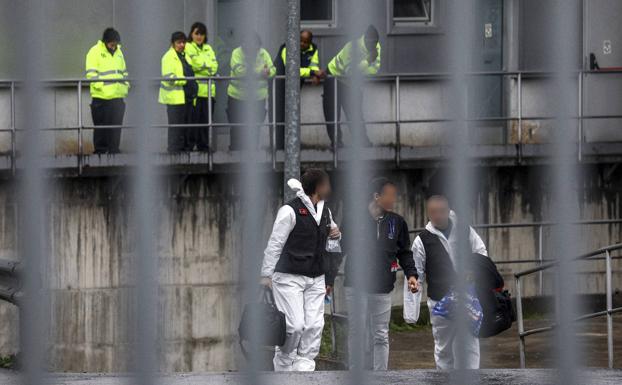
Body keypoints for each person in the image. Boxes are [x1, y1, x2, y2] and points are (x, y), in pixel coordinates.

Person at [333, 177, 419, 370]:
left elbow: (404, 252)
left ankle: (381, 376)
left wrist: (411, 274)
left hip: (383, 287)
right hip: (356, 285)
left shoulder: (397, 222)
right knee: (357, 332)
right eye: (389, 195)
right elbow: (340, 249)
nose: (393, 200)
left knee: (381, 334)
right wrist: (328, 279)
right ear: (376, 196)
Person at [260, 169, 341, 371]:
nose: (330, 188)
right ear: (318, 187)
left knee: (314, 326)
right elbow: (275, 243)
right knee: (294, 326)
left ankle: (305, 372)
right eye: (327, 184)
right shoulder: (289, 211)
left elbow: (332, 241)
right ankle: (284, 367)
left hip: (316, 277)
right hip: (288, 276)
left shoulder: (325, 211)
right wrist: (265, 274)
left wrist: (335, 234)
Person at [410, 195, 488, 370]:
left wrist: (474, 271)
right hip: (439, 300)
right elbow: (417, 272)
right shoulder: (422, 240)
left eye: (441, 211)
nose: (437, 215)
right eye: (433, 212)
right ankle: (443, 379)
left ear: (448, 211)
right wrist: (413, 300)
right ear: (428, 214)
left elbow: (481, 251)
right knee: (444, 346)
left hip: (467, 297)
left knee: (469, 343)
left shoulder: (465, 231)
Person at [322, 25, 381, 148]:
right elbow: (348, 72)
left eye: (375, 43)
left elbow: (375, 70)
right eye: (371, 43)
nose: (373, 46)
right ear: (365, 39)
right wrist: (368, 61)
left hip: (352, 82)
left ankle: (362, 142)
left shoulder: (377, 48)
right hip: (334, 76)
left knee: (355, 112)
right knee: (332, 111)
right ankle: (336, 142)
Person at [273, 30, 325, 149]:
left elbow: (313, 64)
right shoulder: (287, 48)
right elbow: (292, 69)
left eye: (305, 42)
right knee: (280, 116)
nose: (302, 44)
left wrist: (315, 75)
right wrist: (312, 72)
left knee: (293, 114)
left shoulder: (313, 49)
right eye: (300, 40)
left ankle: (292, 145)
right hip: (280, 85)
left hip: (296, 86)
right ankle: (280, 147)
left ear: (310, 43)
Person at [227, 33, 276, 150]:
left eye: (255, 46)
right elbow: (240, 71)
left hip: (258, 97)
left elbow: (273, 69)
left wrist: (268, 72)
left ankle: (253, 149)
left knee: (255, 125)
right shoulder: (237, 53)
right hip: (238, 96)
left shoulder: (263, 53)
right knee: (237, 125)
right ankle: (235, 150)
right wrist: (260, 72)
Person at [85, 28, 129, 154]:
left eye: (116, 44)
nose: (114, 46)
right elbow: (91, 73)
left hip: (117, 96)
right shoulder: (94, 52)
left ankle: (114, 150)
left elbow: (124, 72)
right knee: (101, 127)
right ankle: (100, 152)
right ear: (105, 41)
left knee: (116, 126)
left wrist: (125, 85)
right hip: (101, 97)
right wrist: (101, 86)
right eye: (112, 44)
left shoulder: (119, 52)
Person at [159, 31, 198, 152]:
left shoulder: (185, 56)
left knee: (187, 126)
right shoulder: (168, 57)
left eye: (183, 42)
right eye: (179, 42)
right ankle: (174, 151)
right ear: (172, 43)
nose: (181, 45)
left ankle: (186, 149)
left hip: (187, 98)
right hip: (175, 99)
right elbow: (169, 79)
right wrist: (185, 81)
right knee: (176, 127)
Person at [185, 22, 218, 151]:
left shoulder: (208, 48)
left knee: (206, 121)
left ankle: (203, 146)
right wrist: (207, 65)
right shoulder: (188, 47)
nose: (199, 36)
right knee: (194, 121)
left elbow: (214, 67)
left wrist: (203, 66)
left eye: (202, 34)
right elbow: (193, 65)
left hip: (209, 92)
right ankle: (190, 146)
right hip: (196, 92)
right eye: (196, 33)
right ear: (191, 34)